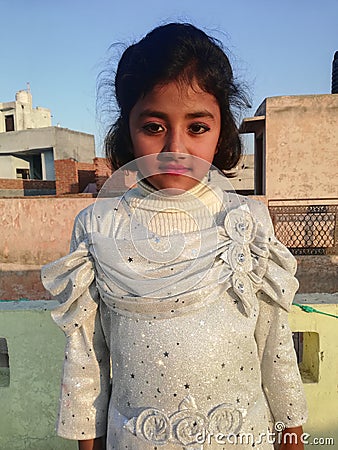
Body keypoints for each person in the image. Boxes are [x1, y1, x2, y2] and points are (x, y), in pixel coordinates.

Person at [41, 23, 307, 450]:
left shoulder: (248, 222)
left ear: (222, 130)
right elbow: (86, 362)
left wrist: (292, 437)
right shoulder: (97, 227)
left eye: (198, 127)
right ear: (128, 128)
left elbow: (275, 346)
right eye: (154, 126)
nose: (176, 147)